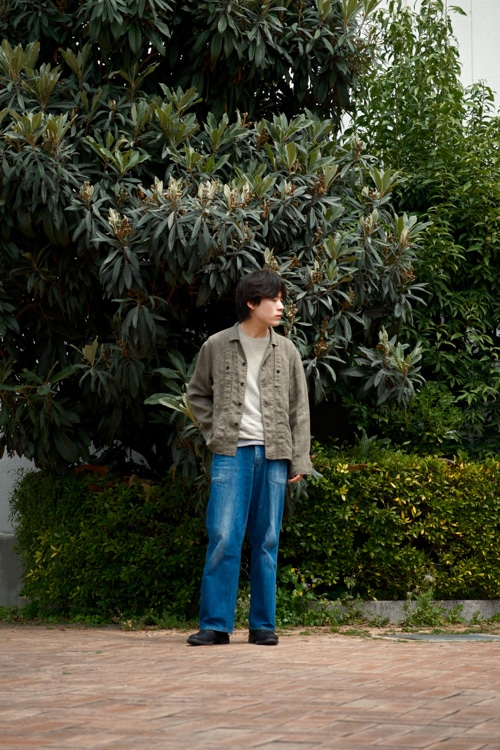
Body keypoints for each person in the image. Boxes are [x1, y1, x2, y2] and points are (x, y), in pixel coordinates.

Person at [186, 269, 312, 646]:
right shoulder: (216, 345)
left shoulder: (287, 350)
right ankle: (215, 625)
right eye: (274, 300)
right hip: (231, 453)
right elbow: (197, 394)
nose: (281, 307)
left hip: (274, 455)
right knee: (224, 536)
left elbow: (299, 408)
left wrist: (299, 459)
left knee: (267, 540)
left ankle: (262, 625)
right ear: (252, 303)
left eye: (281, 300)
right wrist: (215, 431)